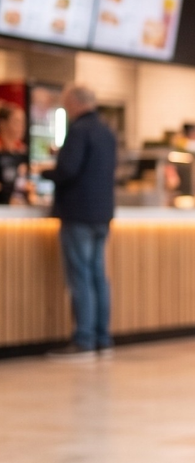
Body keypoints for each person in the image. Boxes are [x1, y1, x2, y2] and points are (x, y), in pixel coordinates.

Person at [45, 85, 117, 359]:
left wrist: (45, 172)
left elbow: (68, 169)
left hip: (78, 213)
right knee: (98, 275)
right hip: (102, 213)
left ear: (74, 103)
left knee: (81, 277)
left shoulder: (78, 130)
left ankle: (83, 339)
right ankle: (102, 337)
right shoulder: (106, 131)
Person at [0, 102, 29, 205]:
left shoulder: (22, 150)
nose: (21, 127)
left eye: (23, 123)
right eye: (16, 122)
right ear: (2, 123)